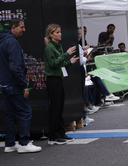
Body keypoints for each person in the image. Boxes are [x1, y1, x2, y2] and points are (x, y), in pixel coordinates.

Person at [0, 18, 42, 153]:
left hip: (5, 84)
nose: (24, 30)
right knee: (25, 111)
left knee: (11, 114)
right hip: (14, 84)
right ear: (13, 28)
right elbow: (15, 67)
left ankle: (10, 143)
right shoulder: (12, 42)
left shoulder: (3, 41)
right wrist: (24, 85)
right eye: (22, 27)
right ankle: (24, 143)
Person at [44, 24, 79, 145]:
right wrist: (66, 54)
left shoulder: (58, 46)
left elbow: (61, 64)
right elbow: (53, 64)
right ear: (51, 34)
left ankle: (61, 132)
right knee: (55, 108)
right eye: (57, 32)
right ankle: (53, 136)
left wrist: (69, 62)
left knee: (59, 107)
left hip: (58, 78)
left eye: (60, 32)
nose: (60, 34)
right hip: (52, 80)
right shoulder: (50, 48)